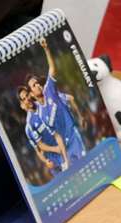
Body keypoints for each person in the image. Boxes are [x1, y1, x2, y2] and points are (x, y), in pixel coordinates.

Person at [19, 37, 86, 184]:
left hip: (74, 137)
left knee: (87, 170)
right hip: (65, 148)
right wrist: (64, 158)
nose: (37, 85)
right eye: (33, 85)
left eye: (37, 82)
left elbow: (52, 69)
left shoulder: (50, 90)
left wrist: (46, 48)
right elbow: (56, 137)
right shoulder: (41, 116)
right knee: (77, 181)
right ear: (31, 94)